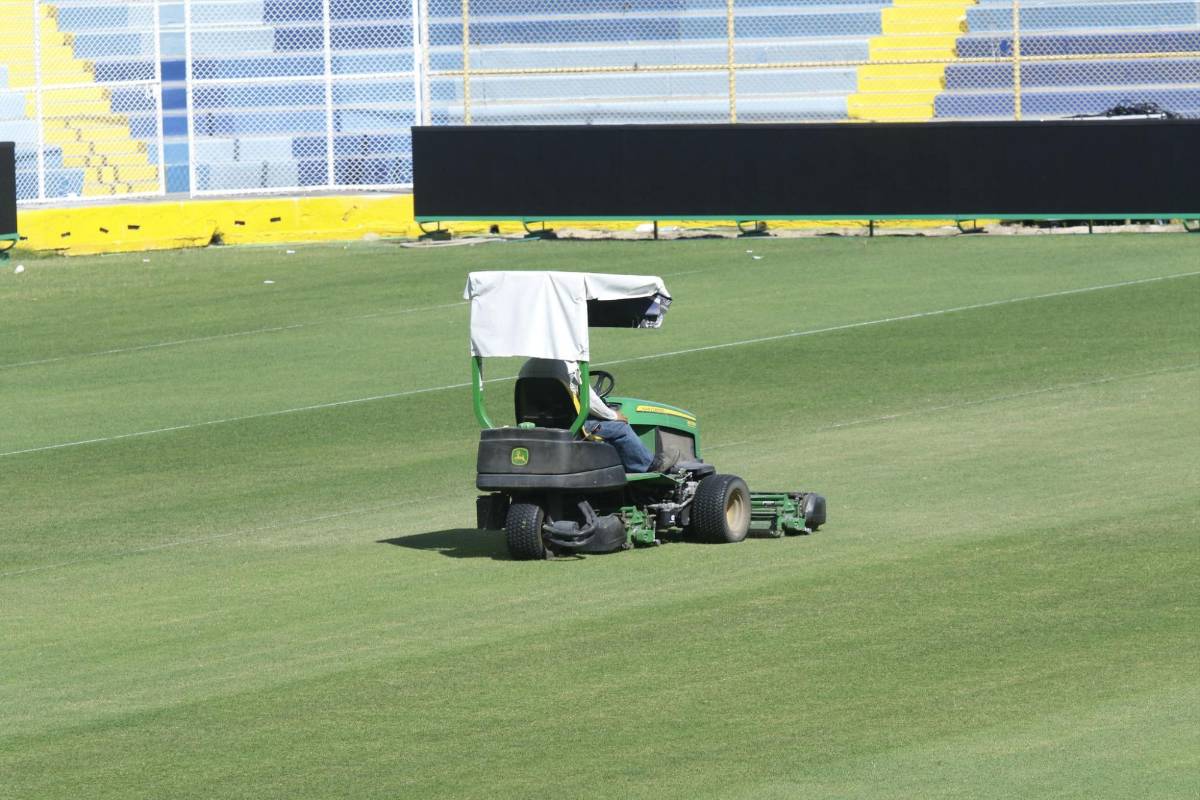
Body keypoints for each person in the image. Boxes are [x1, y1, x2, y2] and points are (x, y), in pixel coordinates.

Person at [518, 358, 678, 473]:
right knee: (621, 428)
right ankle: (648, 465)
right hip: (575, 427)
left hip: (543, 424)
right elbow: (590, 402)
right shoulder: (568, 366)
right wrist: (614, 415)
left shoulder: (528, 367)